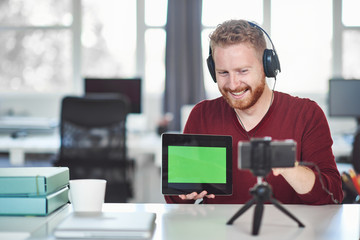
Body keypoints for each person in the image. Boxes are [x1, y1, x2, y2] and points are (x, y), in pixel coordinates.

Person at [164, 19, 343, 205]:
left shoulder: (306, 114)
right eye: (223, 73)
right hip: (220, 231)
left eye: (242, 71)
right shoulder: (202, 114)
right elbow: (175, 197)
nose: (233, 84)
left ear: (266, 67)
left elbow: (333, 196)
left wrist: (287, 166)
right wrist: (182, 193)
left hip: (288, 232)